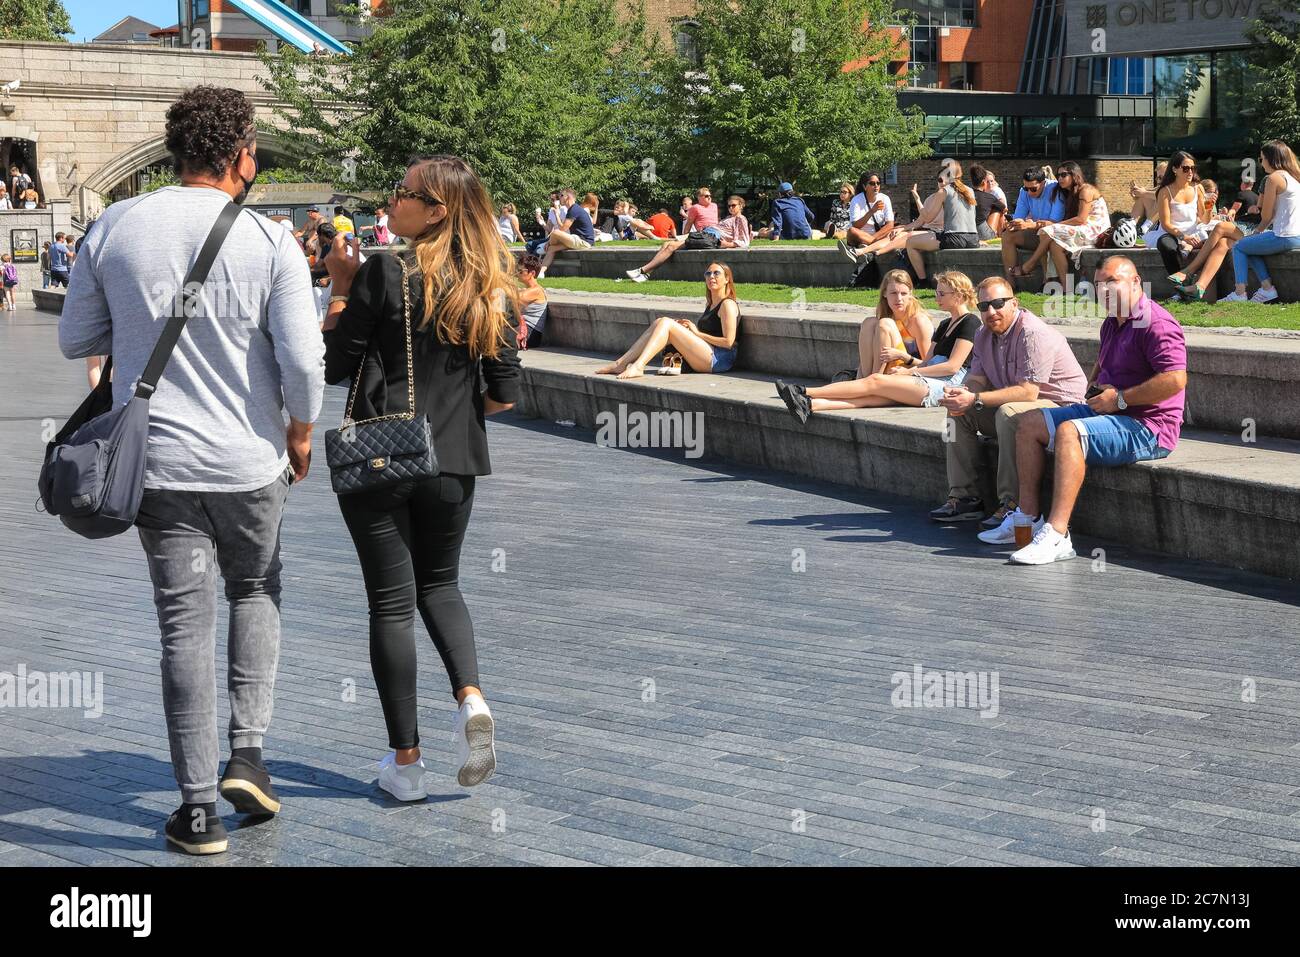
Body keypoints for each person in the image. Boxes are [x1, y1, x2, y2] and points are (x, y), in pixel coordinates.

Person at [57, 86, 324, 855]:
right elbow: (304, 361)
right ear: (240, 155)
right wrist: (300, 432)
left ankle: (199, 809)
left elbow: (79, 339)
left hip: (160, 465)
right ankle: (249, 751)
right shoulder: (268, 240)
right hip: (250, 462)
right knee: (256, 588)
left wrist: (137, 322)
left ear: (176, 150)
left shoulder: (115, 224)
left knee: (183, 625)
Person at [321, 154, 520, 801]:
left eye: (403, 193)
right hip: (456, 460)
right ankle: (470, 698)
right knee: (442, 585)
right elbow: (503, 395)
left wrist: (343, 285)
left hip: (383, 454)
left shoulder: (384, 269)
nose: (392, 202)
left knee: (390, 602)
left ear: (437, 210)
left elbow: (335, 366)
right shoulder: (491, 281)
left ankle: (406, 764)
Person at [998, 256, 1187, 563]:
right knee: (1029, 423)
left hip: (1150, 428)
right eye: (1099, 284)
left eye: (1113, 281)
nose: (1105, 290)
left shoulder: (1157, 323)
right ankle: (1028, 518)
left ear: (1136, 282)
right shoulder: (1113, 322)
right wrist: (1094, 384)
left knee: (1069, 432)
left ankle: (1058, 535)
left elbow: (1176, 379)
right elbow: (1105, 363)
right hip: (1112, 411)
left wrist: (1120, 399)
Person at [930, 276, 1087, 525]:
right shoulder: (982, 334)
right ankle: (964, 498)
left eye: (998, 303)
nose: (991, 311)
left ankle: (1011, 504)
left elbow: (1028, 393)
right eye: (984, 306)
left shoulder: (1033, 333)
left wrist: (976, 397)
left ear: (1014, 303)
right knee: (958, 413)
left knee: (1008, 413)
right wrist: (963, 394)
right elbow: (977, 380)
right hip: (1024, 408)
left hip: (1062, 411)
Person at [776, 270, 977, 422]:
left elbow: (952, 366)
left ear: (958, 295)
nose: (936, 297)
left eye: (942, 293)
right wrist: (914, 369)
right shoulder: (944, 324)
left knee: (874, 384)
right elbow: (927, 361)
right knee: (869, 398)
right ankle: (810, 405)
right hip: (927, 378)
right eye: (937, 292)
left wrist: (909, 372)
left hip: (945, 386)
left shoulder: (970, 322)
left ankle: (803, 391)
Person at [595, 263, 740, 378]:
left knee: (666, 322)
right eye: (708, 273)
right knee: (660, 322)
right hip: (708, 353)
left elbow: (728, 342)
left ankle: (638, 366)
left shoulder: (727, 304)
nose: (711, 277)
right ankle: (621, 363)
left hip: (719, 360)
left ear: (727, 279)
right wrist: (687, 330)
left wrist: (696, 333)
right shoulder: (711, 304)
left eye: (716, 273)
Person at [853, 161, 979, 284]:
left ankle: (922, 281)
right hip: (973, 239)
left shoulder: (943, 191)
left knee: (910, 243)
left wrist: (918, 201)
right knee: (905, 235)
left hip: (954, 238)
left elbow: (928, 218)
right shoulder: (969, 190)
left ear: (947, 178)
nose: (939, 183)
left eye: (940, 180)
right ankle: (872, 252)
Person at [1222, 140, 1300, 303]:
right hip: (1295, 236)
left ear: (1270, 159)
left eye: (1261, 158)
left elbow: (1267, 215)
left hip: (1284, 236)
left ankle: (1240, 292)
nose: (1261, 162)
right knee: (1249, 245)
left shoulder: (1273, 178)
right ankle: (1266, 289)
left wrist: (1258, 230)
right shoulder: (1293, 177)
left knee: (1238, 246)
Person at [1015, 162, 1110, 283]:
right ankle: (1065, 288)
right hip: (1082, 228)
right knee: (1055, 245)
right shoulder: (1068, 193)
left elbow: (1081, 219)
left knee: (1046, 231)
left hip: (1095, 229)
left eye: (1063, 175)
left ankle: (1030, 266)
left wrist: (1054, 225)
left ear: (1074, 175)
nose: (1059, 178)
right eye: (1058, 175)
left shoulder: (1086, 190)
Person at [625, 195, 750, 282]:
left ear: (741, 206)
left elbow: (744, 241)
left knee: (672, 246)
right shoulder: (729, 218)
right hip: (705, 234)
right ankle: (647, 274)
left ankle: (642, 270)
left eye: (733, 205)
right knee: (667, 244)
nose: (731, 208)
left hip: (710, 237)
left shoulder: (740, 219)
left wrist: (726, 244)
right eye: (729, 206)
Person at [1146, 151, 1209, 285]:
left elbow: (1205, 220)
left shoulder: (1198, 188)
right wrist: (1184, 237)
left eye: (1193, 168)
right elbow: (1166, 224)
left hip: (1194, 232)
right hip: (1171, 233)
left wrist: (1209, 206)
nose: (1190, 172)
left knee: (1213, 243)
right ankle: (1180, 285)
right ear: (1174, 169)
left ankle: (1197, 283)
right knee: (1167, 246)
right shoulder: (1165, 191)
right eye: (1186, 168)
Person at [1000, 166, 1066, 280]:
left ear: (1043, 183)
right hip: (1039, 233)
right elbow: (1019, 217)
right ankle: (1010, 284)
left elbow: (1055, 223)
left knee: (1043, 233)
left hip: (1055, 235)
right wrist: (1013, 224)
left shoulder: (1055, 189)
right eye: (1026, 188)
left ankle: (1047, 280)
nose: (1029, 192)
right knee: (1007, 235)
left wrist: (1029, 224)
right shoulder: (1023, 191)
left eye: (1033, 189)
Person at [536, 188, 595, 278]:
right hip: (578, 240)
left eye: (561, 196)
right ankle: (541, 273)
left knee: (555, 232)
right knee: (552, 249)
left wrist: (548, 242)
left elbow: (563, 229)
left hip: (584, 241)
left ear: (568, 197)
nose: (559, 198)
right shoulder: (572, 209)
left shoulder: (574, 209)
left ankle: (546, 246)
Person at [838, 172, 894, 260]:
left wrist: (873, 237)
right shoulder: (856, 200)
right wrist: (872, 211)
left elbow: (890, 225)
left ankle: (866, 246)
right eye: (872, 183)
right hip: (860, 236)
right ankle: (876, 245)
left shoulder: (885, 199)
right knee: (852, 231)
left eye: (878, 183)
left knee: (897, 230)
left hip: (879, 235)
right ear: (864, 186)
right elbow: (856, 225)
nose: (876, 186)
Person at [516, 252, 548, 348]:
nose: (517, 273)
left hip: (530, 333)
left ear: (532, 273)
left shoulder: (537, 291)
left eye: (521, 271)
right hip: (524, 329)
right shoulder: (528, 290)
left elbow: (511, 300)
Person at [969, 164, 1006, 241]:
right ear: (983, 182)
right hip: (983, 235)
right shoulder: (990, 197)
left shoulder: (966, 195)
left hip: (967, 232)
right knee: (998, 209)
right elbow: (1004, 208)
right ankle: (1001, 236)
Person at [1129, 161, 1168, 231]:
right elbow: (1149, 192)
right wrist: (1137, 193)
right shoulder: (1160, 187)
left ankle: (1146, 227)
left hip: (1166, 222)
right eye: (1157, 178)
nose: (1158, 180)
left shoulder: (1172, 187)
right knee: (1143, 197)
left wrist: (1143, 192)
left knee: (1160, 198)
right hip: (1156, 223)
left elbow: (1160, 195)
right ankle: (1131, 224)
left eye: (1161, 178)